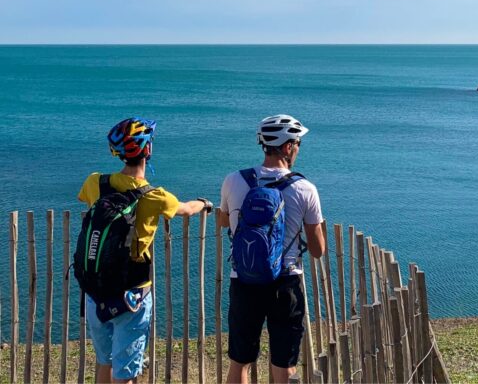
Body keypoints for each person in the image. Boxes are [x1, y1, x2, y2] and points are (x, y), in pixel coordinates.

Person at [77, 117, 213, 384]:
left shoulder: (95, 182)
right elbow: (185, 209)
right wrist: (203, 202)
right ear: (147, 151)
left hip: (95, 289)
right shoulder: (155, 196)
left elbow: (87, 202)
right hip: (132, 294)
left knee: (105, 363)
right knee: (125, 372)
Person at [220, 114, 325, 384]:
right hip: (286, 282)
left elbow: (224, 222)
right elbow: (318, 250)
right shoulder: (305, 188)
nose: (298, 149)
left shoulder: (233, 180)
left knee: (239, 363)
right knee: (284, 366)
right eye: (298, 143)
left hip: (243, 280)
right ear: (288, 147)